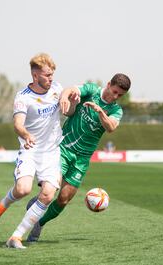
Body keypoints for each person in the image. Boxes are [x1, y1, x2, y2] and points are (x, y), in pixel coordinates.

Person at [26, 73, 131, 242]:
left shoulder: (116, 110)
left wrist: (100, 111)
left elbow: (111, 127)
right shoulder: (91, 90)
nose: (116, 96)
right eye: (115, 91)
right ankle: (38, 204)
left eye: (120, 95)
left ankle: (40, 222)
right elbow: (70, 89)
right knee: (53, 188)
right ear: (109, 84)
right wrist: (66, 98)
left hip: (82, 159)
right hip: (64, 149)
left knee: (64, 199)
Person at [0, 53, 64, 249]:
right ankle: (2, 205)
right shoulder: (23, 97)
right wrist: (26, 134)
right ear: (35, 75)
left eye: (52, 74)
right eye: (47, 75)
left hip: (52, 152)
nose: (51, 79)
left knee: (47, 195)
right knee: (23, 189)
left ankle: (16, 237)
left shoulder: (57, 89)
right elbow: (17, 124)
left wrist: (73, 96)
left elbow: (69, 103)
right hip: (30, 150)